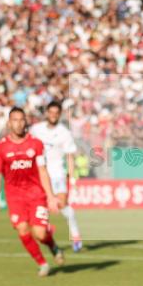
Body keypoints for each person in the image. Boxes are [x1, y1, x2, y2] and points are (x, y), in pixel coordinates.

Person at [0, 107, 64, 277]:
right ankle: (42, 263)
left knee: (40, 233)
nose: (19, 123)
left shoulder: (35, 144)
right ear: (9, 123)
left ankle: (52, 245)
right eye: (15, 120)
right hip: (15, 196)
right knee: (22, 229)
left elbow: (43, 171)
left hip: (36, 193)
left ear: (26, 122)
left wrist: (51, 196)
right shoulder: (1, 147)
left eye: (22, 119)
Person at [30, 101, 83, 252]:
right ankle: (46, 229)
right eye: (51, 112)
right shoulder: (36, 129)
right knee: (40, 207)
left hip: (58, 174)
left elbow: (70, 157)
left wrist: (72, 178)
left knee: (62, 205)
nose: (53, 115)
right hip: (40, 174)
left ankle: (75, 235)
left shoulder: (64, 132)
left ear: (59, 115)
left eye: (56, 113)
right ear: (47, 113)